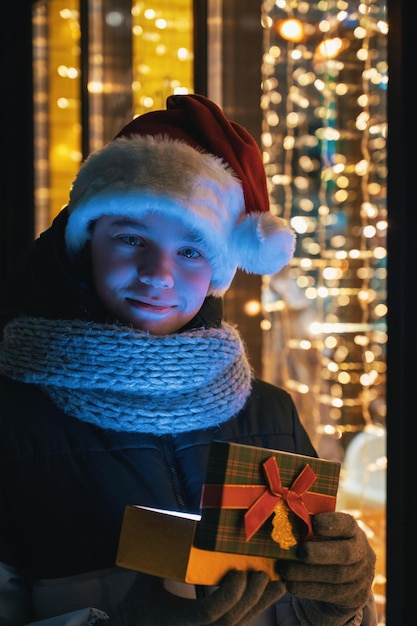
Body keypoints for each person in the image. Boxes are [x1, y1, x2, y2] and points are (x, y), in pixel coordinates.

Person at [0, 94, 377, 626]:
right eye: (131, 238)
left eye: (191, 250)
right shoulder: (14, 420)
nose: (158, 274)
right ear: (84, 245)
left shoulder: (270, 415)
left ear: (219, 269)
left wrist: (339, 608)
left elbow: (303, 601)